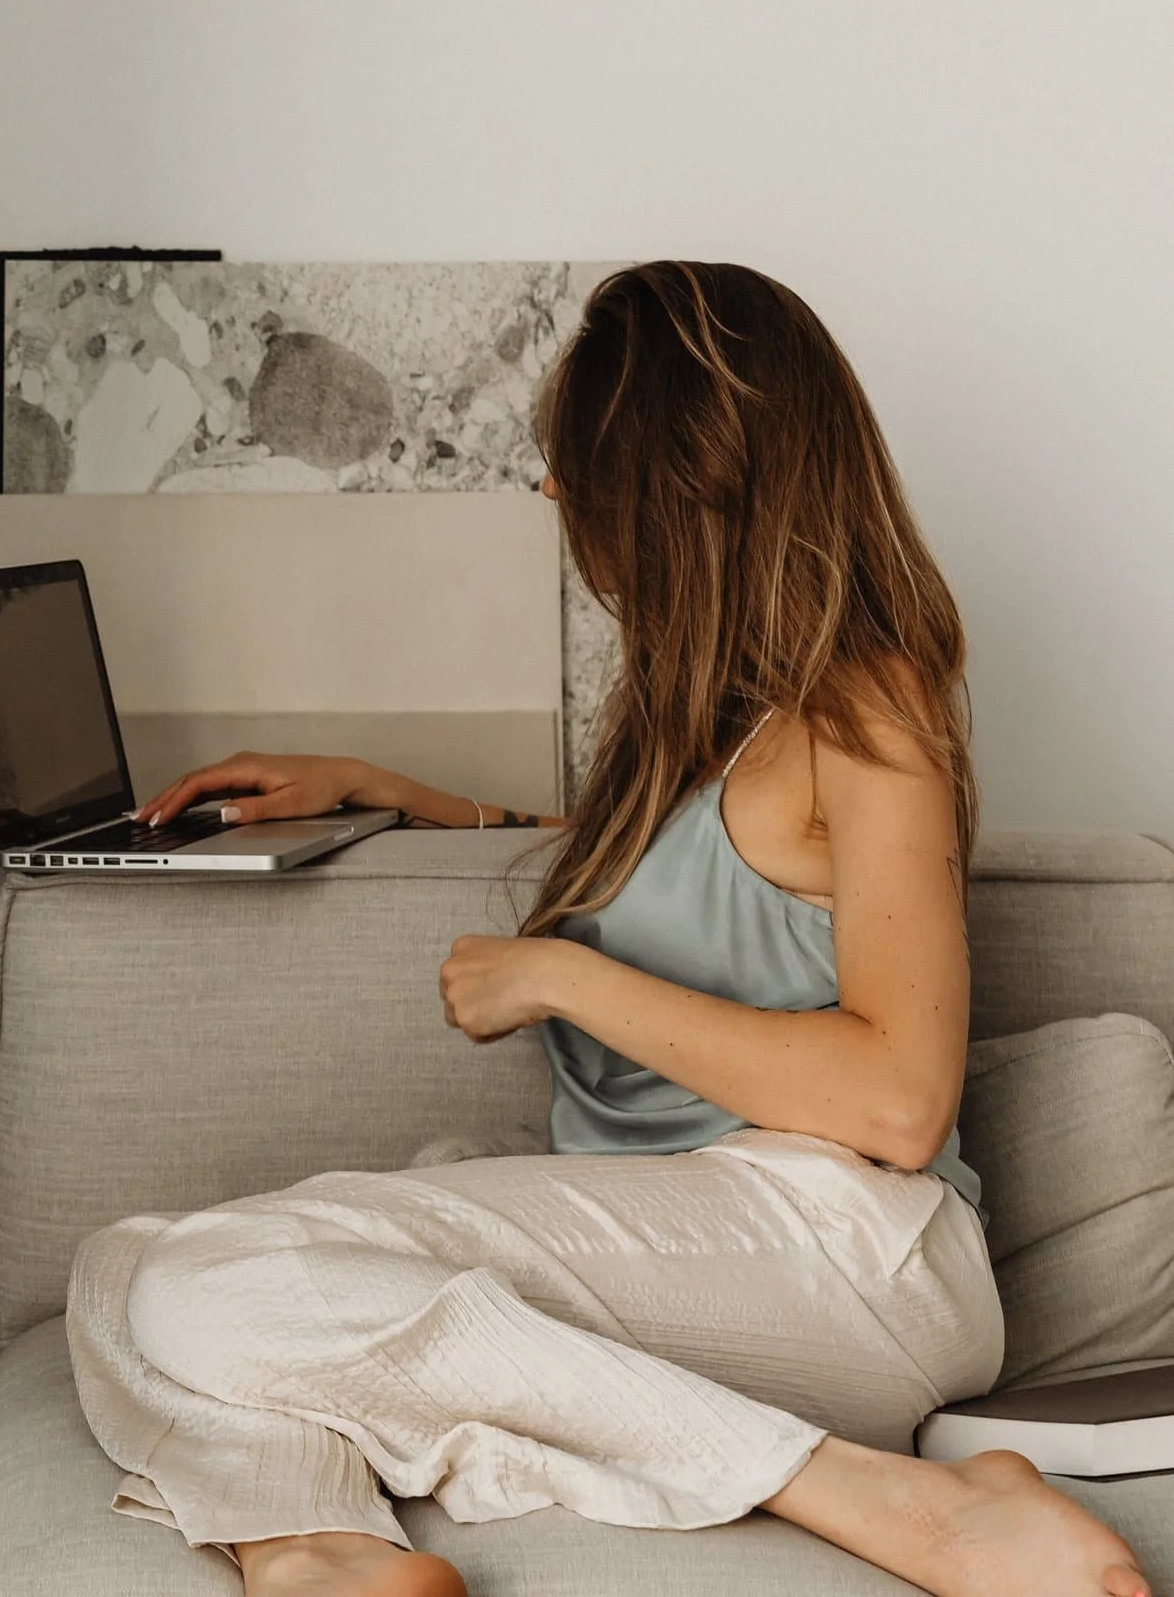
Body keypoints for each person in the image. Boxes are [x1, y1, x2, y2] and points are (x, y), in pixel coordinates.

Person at [67, 262, 1151, 1597]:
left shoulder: (868, 709)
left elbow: (900, 1098)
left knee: (203, 1288)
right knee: (123, 1268)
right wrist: (391, 792)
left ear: (668, 488)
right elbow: (692, 885)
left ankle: (889, 1501)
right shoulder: (711, 717)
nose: (549, 490)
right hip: (698, 1239)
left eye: (574, 462)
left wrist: (564, 979)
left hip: (848, 1253)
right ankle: (317, 1548)